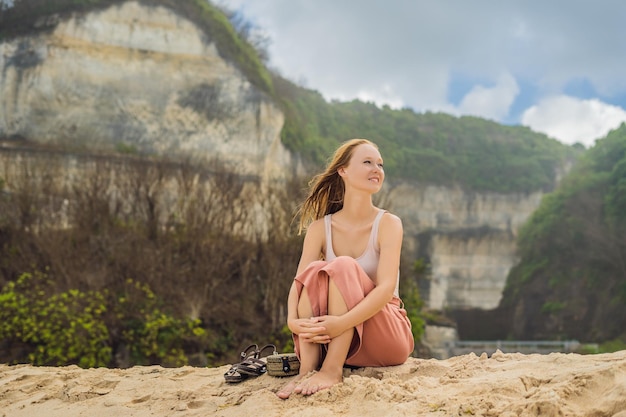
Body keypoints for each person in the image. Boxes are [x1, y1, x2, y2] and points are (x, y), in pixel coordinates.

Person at [276, 138, 414, 400]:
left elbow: (385, 289)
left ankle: (331, 370)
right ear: (343, 170)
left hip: (385, 336)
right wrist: (292, 321)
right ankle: (307, 370)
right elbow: (300, 283)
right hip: (336, 339)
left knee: (342, 265)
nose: (377, 169)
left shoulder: (388, 223)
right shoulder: (320, 229)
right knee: (317, 269)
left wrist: (341, 323)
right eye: (367, 162)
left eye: (380, 164)